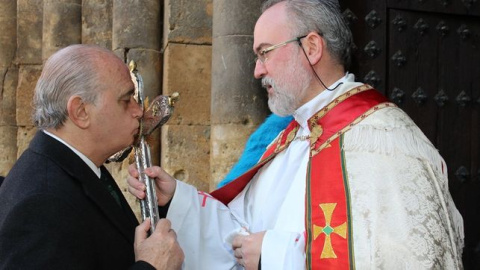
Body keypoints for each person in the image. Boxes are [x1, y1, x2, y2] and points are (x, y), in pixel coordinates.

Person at [127, 0, 464, 269]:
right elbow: (240, 232)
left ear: (312, 47)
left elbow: (403, 260)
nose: (258, 70)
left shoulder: (383, 141)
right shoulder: (291, 138)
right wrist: (177, 198)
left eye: (264, 52)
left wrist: (275, 257)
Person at [0, 44, 184, 269]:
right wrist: (151, 266)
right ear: (81, 111)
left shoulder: (75, 167)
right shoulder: (43, 202)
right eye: (126, 100)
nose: (138, 111)